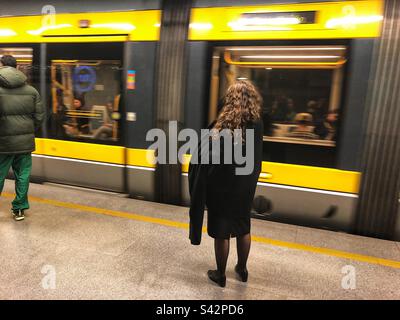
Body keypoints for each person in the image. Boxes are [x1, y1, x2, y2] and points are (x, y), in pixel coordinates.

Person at [188, 80, 263, 287]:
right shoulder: (257, 123)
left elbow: (210, 157)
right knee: (243, 226)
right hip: (245, 186)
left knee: (222, 230)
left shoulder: (223, 124)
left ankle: (220, 275)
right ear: (252, 99)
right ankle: (242, 269)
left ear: (230, 99)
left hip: (222, 187)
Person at [0, 55, 43, 221]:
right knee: (23, 176)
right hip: (25, 143)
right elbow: (39, 118)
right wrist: (27, 131)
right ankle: (19, 209)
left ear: (3, 66)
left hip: (3, 144)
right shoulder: (32, 91)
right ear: (16, 67)